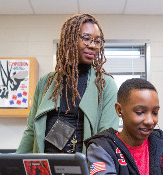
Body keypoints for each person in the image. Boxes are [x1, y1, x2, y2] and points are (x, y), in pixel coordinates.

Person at [16, 14, 119, 155]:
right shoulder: (46, 83)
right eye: (87, 38)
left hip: (85, 169)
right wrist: (14, 167)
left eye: (97, 41)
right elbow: (31, 131)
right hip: (45, 167)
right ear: (69, 40)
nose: (93, 46)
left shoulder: (105, 85)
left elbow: (107, 138)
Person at [84, 78, 163, 175]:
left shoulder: (160, 144)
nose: (150, 121)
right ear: (119, 110)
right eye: (140, 112)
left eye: (155, 112)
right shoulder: (102, 148)